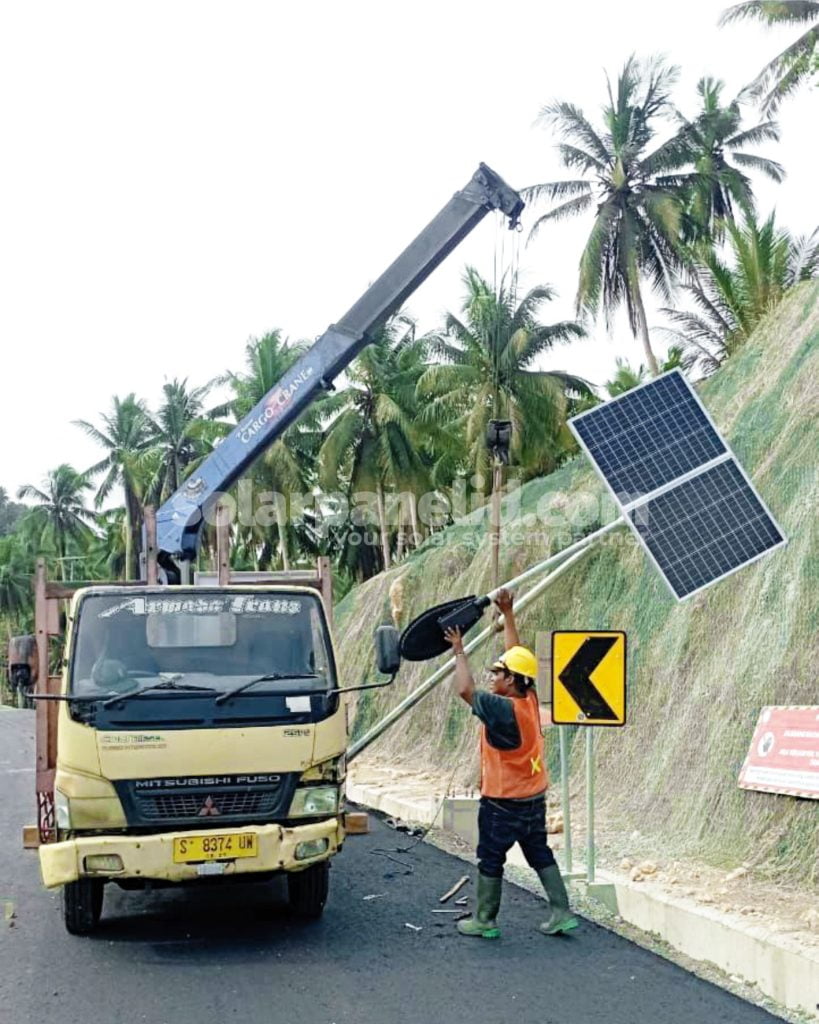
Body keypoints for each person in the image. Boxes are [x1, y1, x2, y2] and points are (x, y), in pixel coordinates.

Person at [444, 587, 578, 940]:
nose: (492, 676)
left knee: (490, 857)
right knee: (539, 852)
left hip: (502, 804)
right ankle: (562, 911)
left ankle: (485, 920)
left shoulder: (501, 710)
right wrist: (508, 613)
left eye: (497, 673)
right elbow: (516, 658)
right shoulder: (528, 698)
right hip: (533, 799)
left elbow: (464, 689)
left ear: (511, 681)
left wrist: (459, 650)